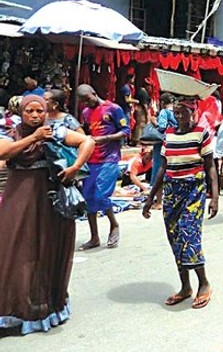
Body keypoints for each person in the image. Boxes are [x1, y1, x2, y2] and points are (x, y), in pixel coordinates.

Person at [0, 94, 95, 334]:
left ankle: (44, 307)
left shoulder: (57, 131)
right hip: (19, 198)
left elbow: (88, 142)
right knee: (14, 250)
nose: (34, 115)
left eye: (39, 111)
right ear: (21, 112)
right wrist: (34, 137)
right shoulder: (11, 133)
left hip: (50, 200)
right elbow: (4, 153)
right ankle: (14, 307)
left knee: (46, 249)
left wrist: (74, 168)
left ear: (46, 112)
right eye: (29, 111)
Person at [142, 97, 219, 309]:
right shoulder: (169, 136)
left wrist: (215, 197)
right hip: (171, 192)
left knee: (189, 234)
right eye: (176, 114)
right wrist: (150, 198)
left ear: (192, 113)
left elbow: (210, 167)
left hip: (194, 191)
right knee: (174, 238)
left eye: (183, 113)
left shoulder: (201, 133)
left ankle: (204, 283)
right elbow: (162, 167)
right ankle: (185, 287)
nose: (179, 117)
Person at [77, 84, 130, 251]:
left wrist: (106, 138)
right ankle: (94, 236)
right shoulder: (85, 113)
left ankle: (114, 224)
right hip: (91, 159)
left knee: (101, 195)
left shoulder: (113, 109)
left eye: (87, 99)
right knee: (88, 198)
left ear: (94, 93)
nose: (86, 103)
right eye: (83, 101)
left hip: (109, 158)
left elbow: (126, 130)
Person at [150, 93, 178, 210]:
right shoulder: (177, 112)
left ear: (162, 103)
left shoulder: (164, 112)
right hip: (174, 142)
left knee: (159, 171)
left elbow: (162, 127)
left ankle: (159, 201)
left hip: (162, 144)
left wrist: (154, 122)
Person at [131, 80, 152, 145]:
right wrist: (147, 114)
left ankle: (136, 139)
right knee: (141, 124)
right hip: (141, 110)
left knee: (139, 125)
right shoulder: (144, 92)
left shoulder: (140, 90)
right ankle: (137, 140)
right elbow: (145, 105)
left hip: (138, 108)